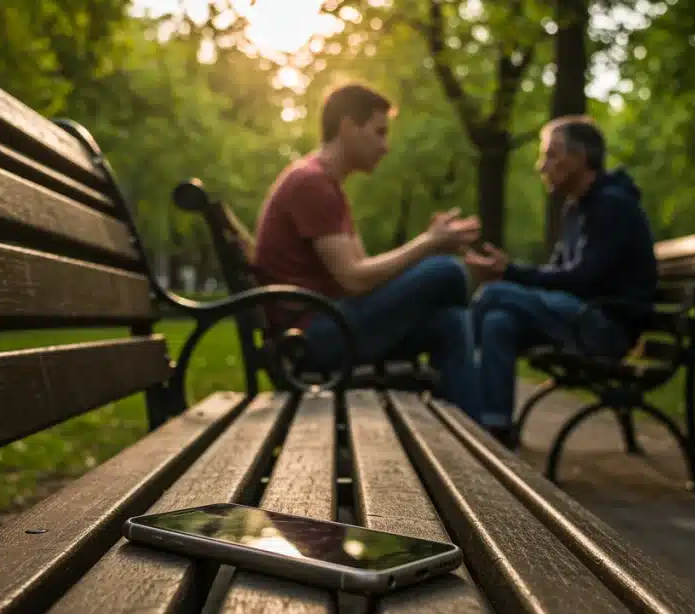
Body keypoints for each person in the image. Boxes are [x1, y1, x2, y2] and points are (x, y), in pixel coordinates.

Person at [251, 83, 483, 418]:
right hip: (312, 336)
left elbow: (362, 270)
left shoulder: (330, 187)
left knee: (449, 322)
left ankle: (475, 438)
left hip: (326, 324)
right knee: (446, 272)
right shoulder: (311, 182)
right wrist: (428, 243)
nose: (385, 147)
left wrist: (429, 246)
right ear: (347, 126)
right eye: (379, 133)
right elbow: (354, 280)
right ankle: (476, 430)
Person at [464, 115, 658, 448]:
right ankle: (494, 429)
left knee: (493, 296)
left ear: (580, 159)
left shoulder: (612, 206)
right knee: (498, 322)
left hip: (604, 328)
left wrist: (508, 273)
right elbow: (555, 275)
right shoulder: (575, 210)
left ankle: (451, 393)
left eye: (551, 155)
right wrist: (509, 271)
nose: (542, 166)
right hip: (577, 318)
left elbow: (583, 279)